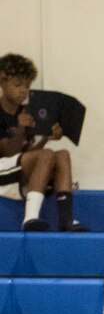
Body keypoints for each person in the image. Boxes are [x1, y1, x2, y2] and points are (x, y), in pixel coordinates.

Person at [0, 53, 84, 232]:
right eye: (17, 85)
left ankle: (66, 219)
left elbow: (29, 154)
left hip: (15, 170)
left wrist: (46, 137)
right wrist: (21, 129)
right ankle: (30, 218)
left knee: (61, 154)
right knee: (46, 155)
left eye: (27, 86)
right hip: (2, 172)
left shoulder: (27, 111)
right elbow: (8, 153)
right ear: (2, 82)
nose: (23, 90)